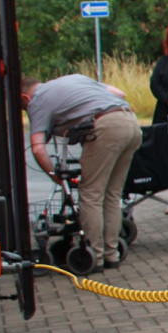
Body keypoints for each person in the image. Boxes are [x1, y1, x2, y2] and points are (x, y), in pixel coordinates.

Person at [23, 74, 142, 271]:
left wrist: (55, 176)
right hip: (130, 122)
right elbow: (120, 93)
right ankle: (111, 253)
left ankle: (94, 255)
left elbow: (37, 148)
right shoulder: (74, 79)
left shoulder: (37, 101)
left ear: (25, 98)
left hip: (105, 127)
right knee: (112, 194)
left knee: (91, 194)